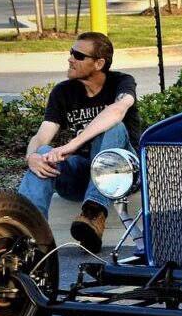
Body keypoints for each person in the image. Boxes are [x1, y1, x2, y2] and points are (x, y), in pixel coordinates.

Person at [18, 31, 140, 254]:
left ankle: (94, 213)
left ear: (99, 63)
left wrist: (71, 145)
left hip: (123, 174)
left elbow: (117, 110)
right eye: (71, 52)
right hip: (82, 175)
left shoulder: (121, 83)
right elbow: (42, 135)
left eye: (78, 55)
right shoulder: (63, 92)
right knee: (43, 151)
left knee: (113, 126)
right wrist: (32, 157)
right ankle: (30, 232)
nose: (70, 58)